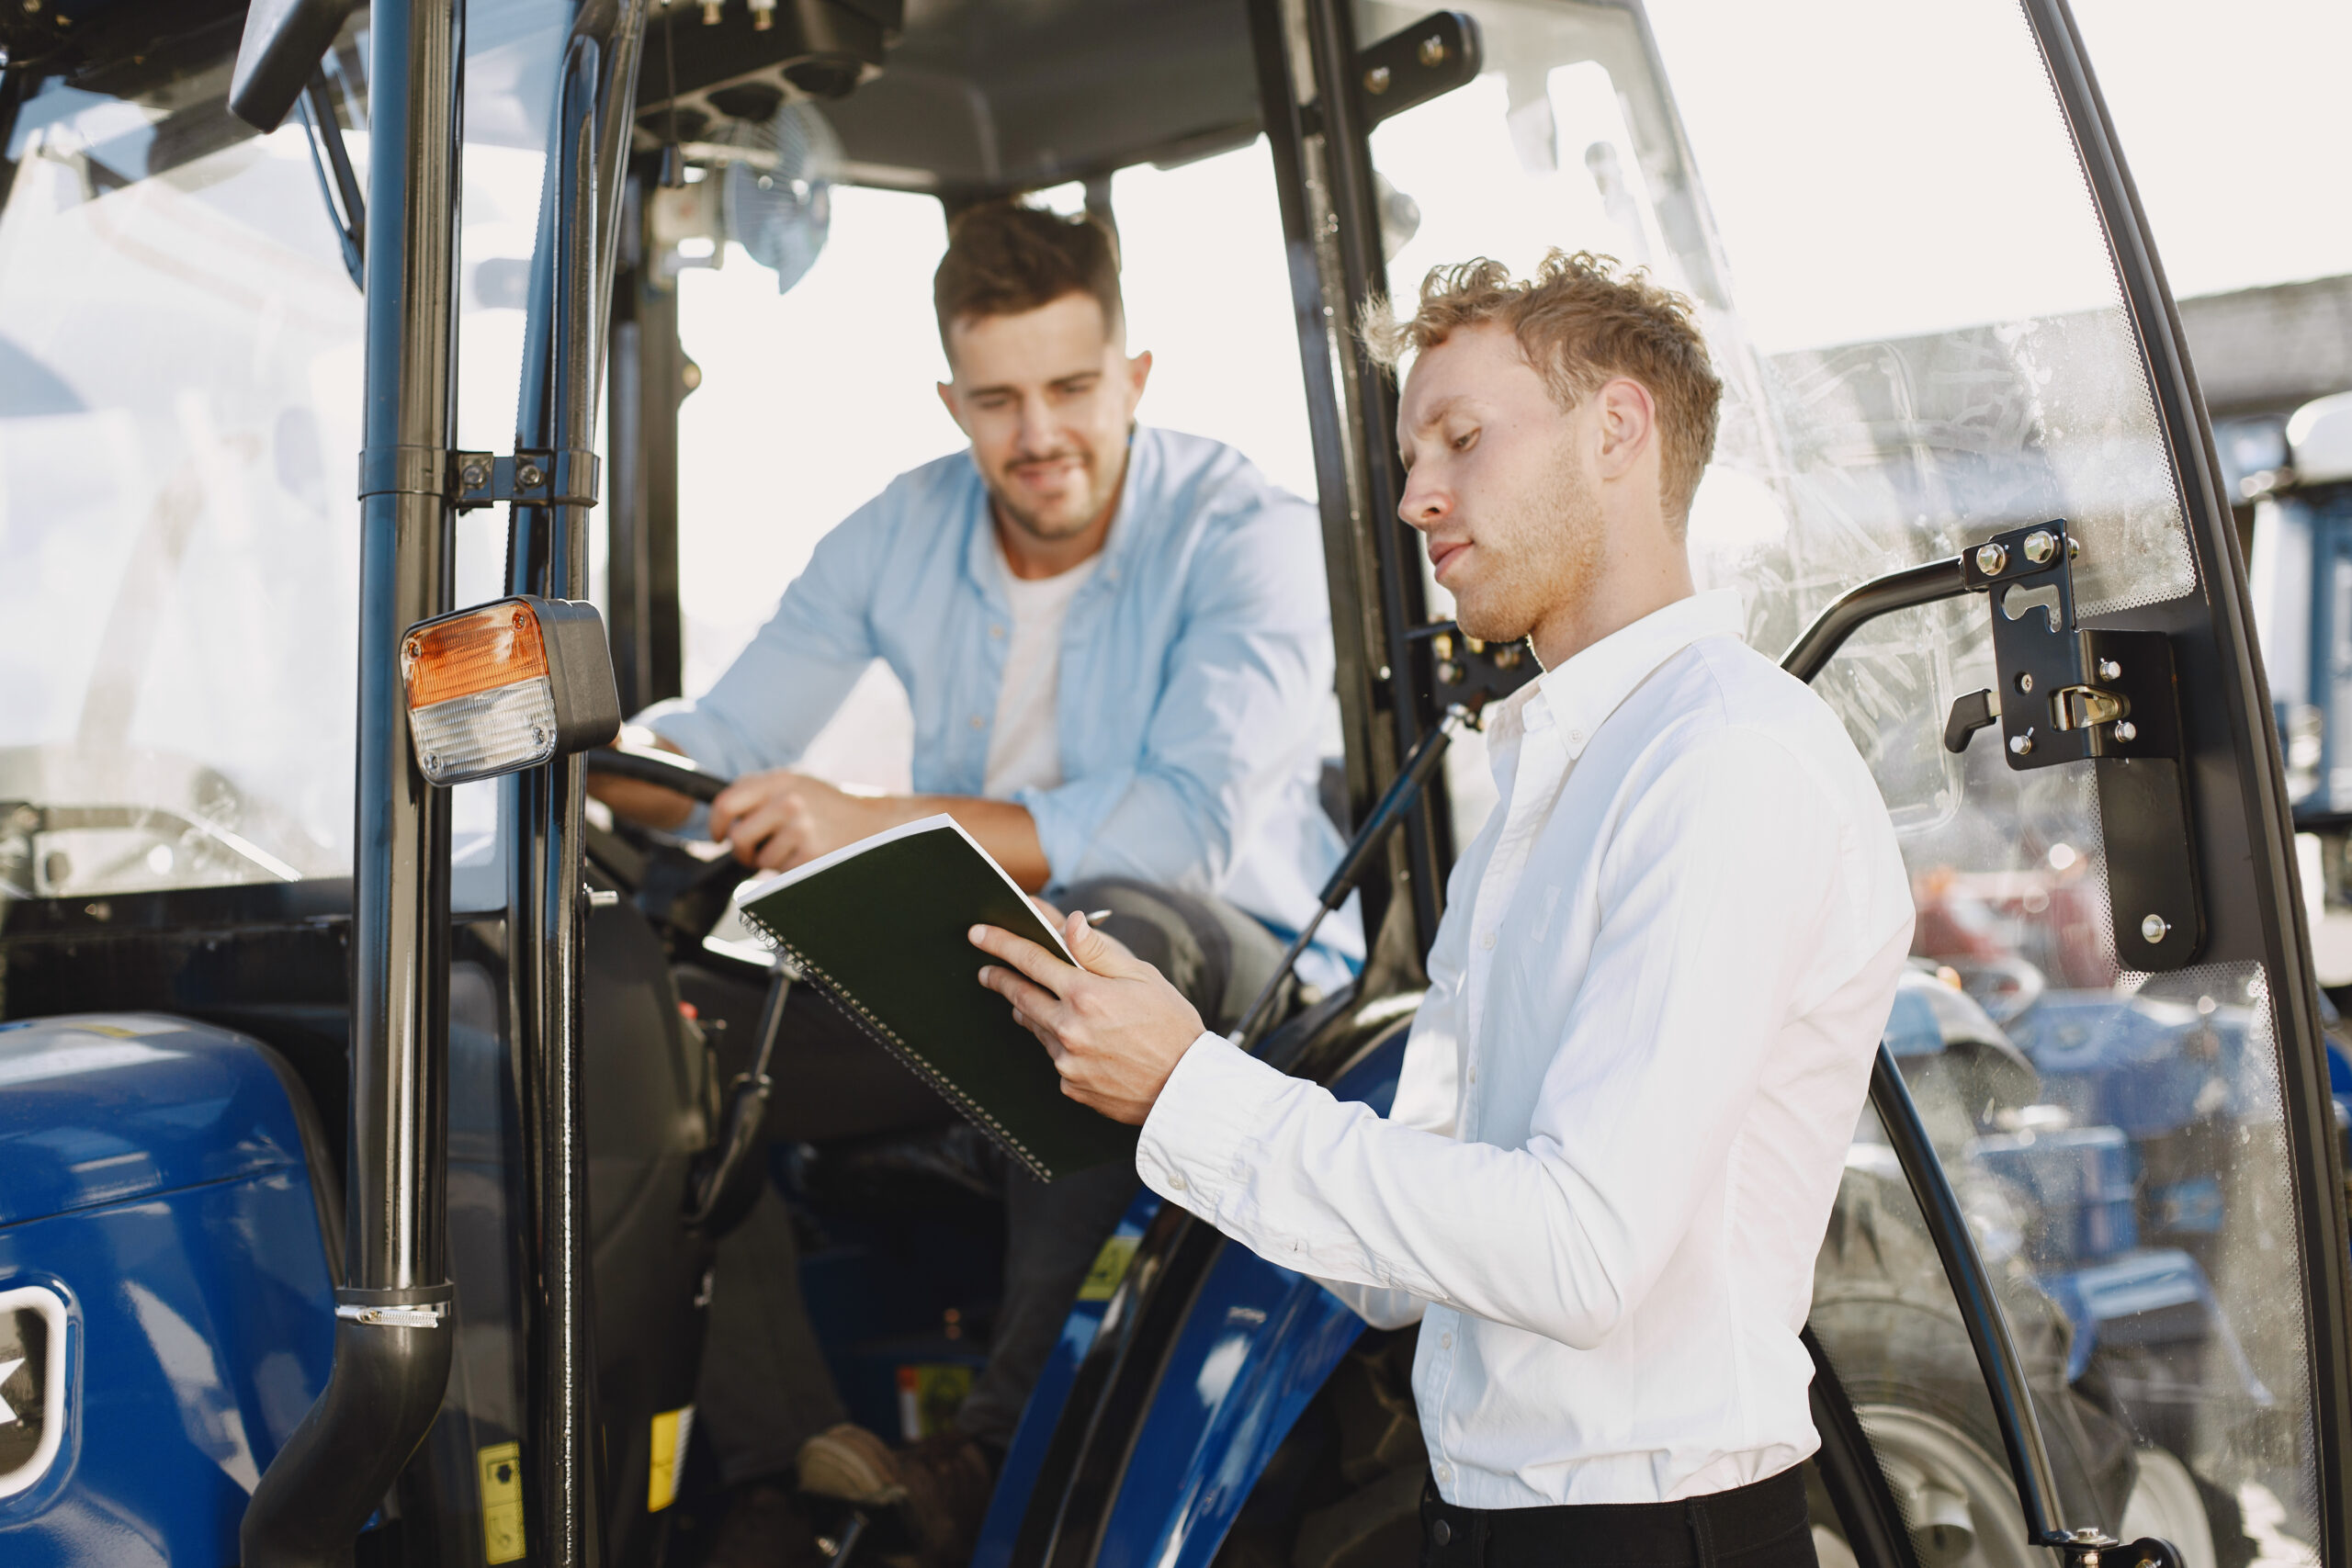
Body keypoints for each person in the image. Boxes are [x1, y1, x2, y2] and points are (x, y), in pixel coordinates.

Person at [970, 251, 1915, 1568]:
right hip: (1492, 1521)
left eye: (1462, 440)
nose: (1416, 497)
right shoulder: (1539, 790)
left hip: (1647, 1537)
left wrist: (1192, 1087)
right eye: (1417, 454)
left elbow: (1581, 1254)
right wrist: (1153, 1080)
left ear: (1617, 431)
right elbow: (1405, 1278)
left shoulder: (1726, 765)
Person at [591, 199, 1354, 1566]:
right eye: (997, 400)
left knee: (1091, 939)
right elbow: (723, 741)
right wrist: (585, 748)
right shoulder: (903, 530)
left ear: (1134, 377)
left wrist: (869, 817)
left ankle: (993, 1451)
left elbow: (1178, 829)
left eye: (1071, 388)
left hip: (1238, 975)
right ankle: (778, 1479)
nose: (1037, 434)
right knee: (646, 1022)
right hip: (975, 963)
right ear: (953, 399)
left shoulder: (1246, 533)